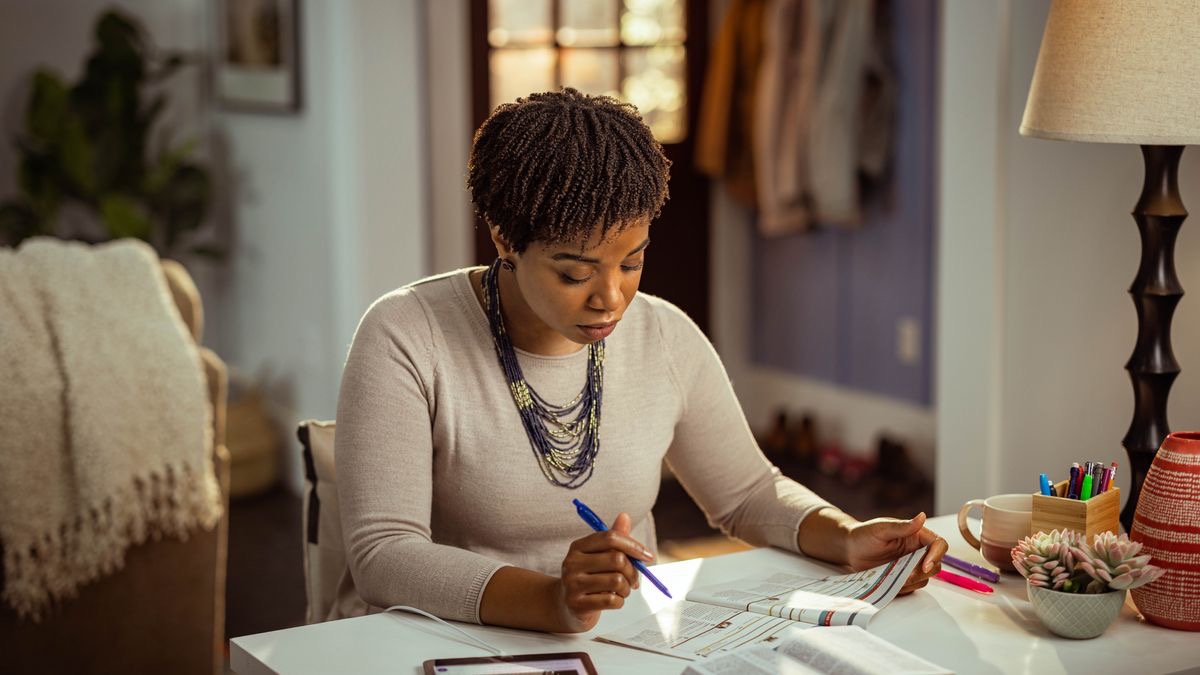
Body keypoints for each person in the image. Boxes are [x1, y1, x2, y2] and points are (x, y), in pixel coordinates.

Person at [333, 88, 947, 632]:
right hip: (433, 641)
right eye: (575, 272)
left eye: (631, 262)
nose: (611, 297)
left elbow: (748, 493)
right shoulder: (406, 335)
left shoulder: (663, 334)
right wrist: (553, 602)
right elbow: (384, 553)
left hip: (620, 641)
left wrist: (844, 537)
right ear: (502, 238)